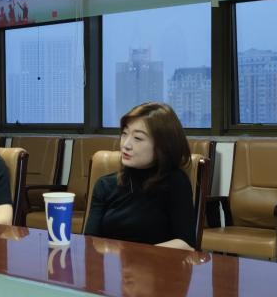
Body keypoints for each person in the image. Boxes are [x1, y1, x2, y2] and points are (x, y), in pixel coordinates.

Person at [83, 102, 196, 250]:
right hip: (113, 264)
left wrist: (131, 254)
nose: (126, 145)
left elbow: (186, 243)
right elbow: (90, 242)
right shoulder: (105, 185)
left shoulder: (175, 182)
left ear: (163, 145)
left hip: (159, 264)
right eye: (124, 133)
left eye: (137, 138)